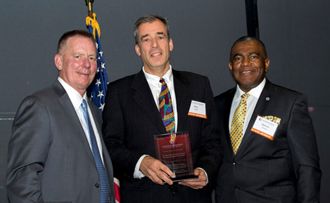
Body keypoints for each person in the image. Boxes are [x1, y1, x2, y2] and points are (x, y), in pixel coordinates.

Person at [102, 15, 222, 203]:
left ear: (170, 43)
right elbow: (111, 145)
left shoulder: (199, 86)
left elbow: (213, 141)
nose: (155, 45)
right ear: (137, 50)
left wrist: (205, 171)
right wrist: (141, 163)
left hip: (193, 197)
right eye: (146, 39)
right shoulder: (119, 92)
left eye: (160, 36)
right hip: (144, 196)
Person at [7, 30, 115, 203]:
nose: (86, 64)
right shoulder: (39, 106)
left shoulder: (94, 111)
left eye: (92, 58)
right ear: (59, 61)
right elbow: (22, 181)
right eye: (78, 56)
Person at [214, 36, 321, 203]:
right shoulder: (217, 104)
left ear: (266, 63)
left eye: (253, 57)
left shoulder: (290, 103)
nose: (245, 63)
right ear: (230, 66)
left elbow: (306, 167)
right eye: (238, 58)